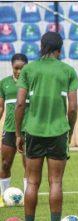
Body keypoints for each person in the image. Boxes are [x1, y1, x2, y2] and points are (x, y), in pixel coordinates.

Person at [15, 31, 78, 221]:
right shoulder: (68, 71)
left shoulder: (29, 70)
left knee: (32, 182)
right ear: (60, 49)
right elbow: (72, 108)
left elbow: (20, 104)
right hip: (58, 132)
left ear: (41, 47)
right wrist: (69, 130)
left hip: (33, 131)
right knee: (56, 182)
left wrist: (18, 133)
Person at [0, 54, 29, 208]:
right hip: (10, 130)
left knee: (28, 166)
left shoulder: (32, 83)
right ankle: (2, 198)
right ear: (12, 67)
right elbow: (0, 107)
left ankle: (27, 198)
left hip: (28, 130)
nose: (19, 71)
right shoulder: (4, 83)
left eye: (22, 68)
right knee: (5, 164)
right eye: (16, 68)